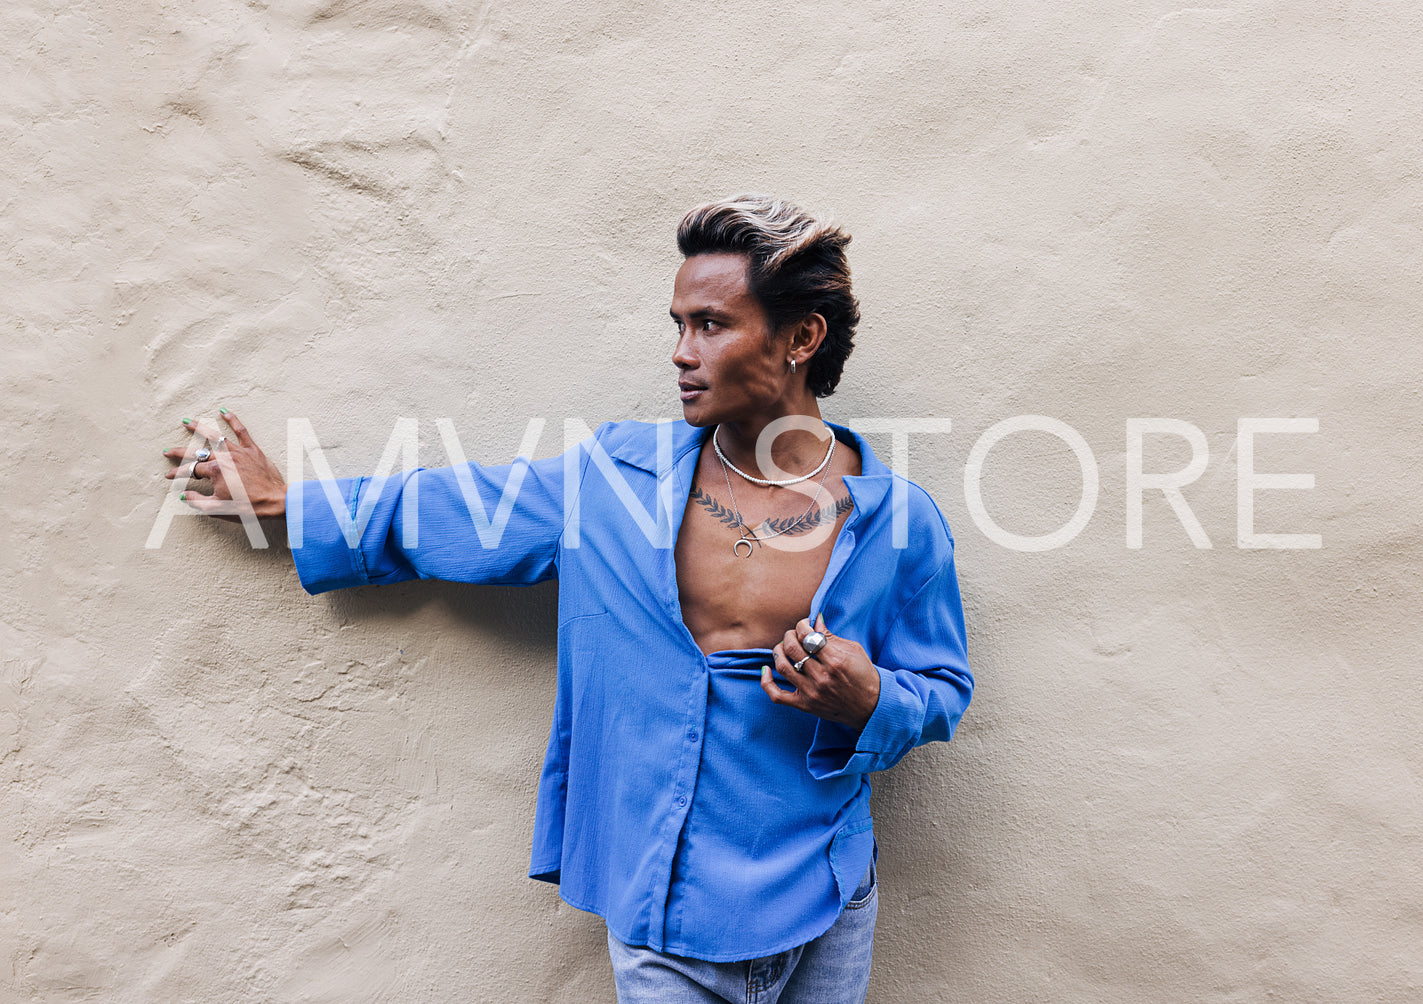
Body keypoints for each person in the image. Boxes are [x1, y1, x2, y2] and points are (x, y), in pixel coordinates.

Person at [163, 194, 972, 1002]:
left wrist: (870, 698)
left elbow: (942, 689)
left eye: (711, 325)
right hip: (661, 901)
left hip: (823, 892)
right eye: (678, 324)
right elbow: (456, 509)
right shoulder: (614, 478)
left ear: (800, 338)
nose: (682, 353)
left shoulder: (897, 522)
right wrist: (284, 504)